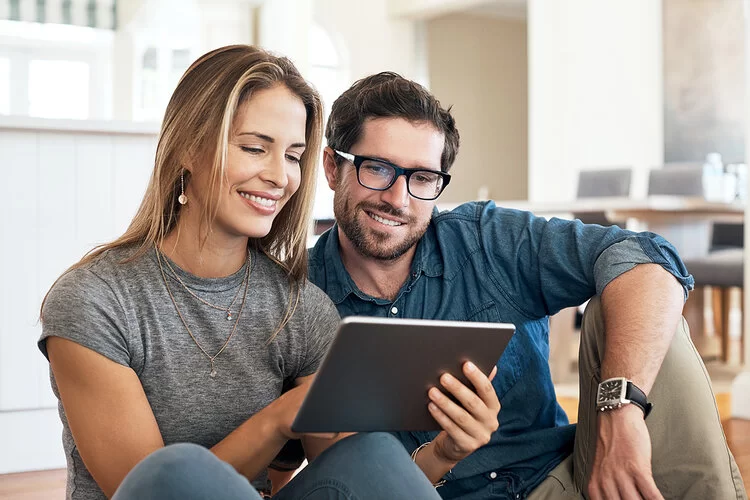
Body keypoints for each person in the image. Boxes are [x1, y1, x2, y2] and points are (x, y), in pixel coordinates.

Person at [308, 72, 748, 499]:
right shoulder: (299, 300)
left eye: (422, 178)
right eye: (378, 169)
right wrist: (444, 453)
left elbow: (647, 259)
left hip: (561, 482)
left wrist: (622, 407)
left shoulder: (486, 239)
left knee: (638, 301)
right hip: (429, 491)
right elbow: (340, 477)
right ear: (332, 167)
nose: (398, 199)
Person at [38, 47, 443, 500]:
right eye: (255, 148)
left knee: (373, 452)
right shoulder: (95, 300)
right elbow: (148, 487)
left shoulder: (301, 308)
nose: (279, 176)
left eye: (293, 156)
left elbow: (356, 474)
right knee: (177, 466)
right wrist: (279, 418)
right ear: (190, 146)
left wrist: (443, 453)